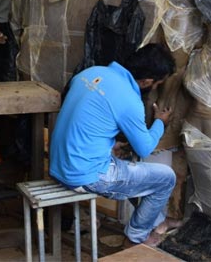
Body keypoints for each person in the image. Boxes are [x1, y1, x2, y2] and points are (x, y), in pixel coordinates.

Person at [49, 44, 180, 246]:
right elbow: (144, 148)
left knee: (128, 162)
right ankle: (137, 238)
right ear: (146, 81)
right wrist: (160, 123)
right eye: (156, 84)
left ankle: (159, 221)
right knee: (165, 179)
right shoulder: (129, 99)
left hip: (58, 165)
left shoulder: (91, 73)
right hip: (85, 176)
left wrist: (113, 144)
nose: (154, 89)